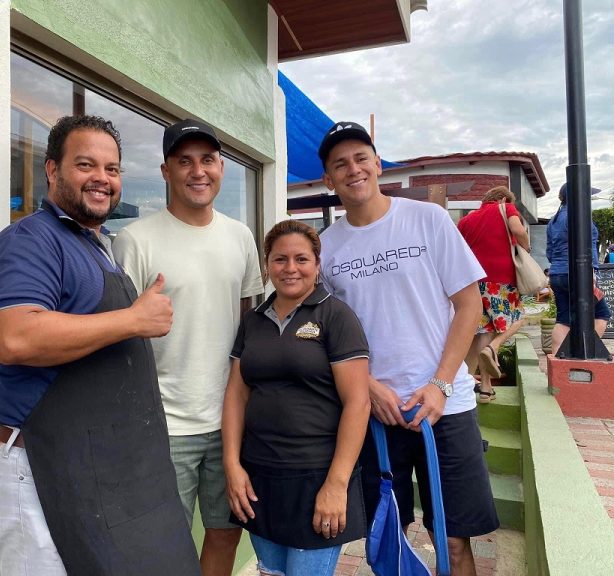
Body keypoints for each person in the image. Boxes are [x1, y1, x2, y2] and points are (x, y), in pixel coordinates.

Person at [0, 115, 200, 575]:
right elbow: (14, 337)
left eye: (112, 169)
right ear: (52, 171)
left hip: (98, 473)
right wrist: (133, 319)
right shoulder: (29, 242)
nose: (102, 178)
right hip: (39, 471)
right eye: (86, 165)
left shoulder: (97, 246)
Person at [317, 121, 499, 576]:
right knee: (389, 539)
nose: (353, 169)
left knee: (454, 542)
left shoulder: (427, 219)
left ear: (378, 164)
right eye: (340, 164)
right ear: (328, 178)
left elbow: (468, 305)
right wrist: (368, 389)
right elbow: (328, 336)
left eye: (361, 158)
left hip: (446, 405)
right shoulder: (325, 248)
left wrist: (439, 384)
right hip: (376, 413)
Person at [113, 118, 263, 576]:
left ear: (222, 167)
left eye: (208, 160)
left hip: (229, 421)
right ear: (165, 171)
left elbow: (244, 326)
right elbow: (122, 334)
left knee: (225, 532)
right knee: (165, 544)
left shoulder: (239, 237)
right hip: (163, 424)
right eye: (185, 161)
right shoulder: (133, 239)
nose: (198, 171)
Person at [222, 220, 371, 576]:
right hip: (259, 478)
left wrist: (337, 485)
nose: (290, 269)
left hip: (316, 476)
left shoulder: (336, 316)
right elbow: (236, 394)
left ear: (317, 265)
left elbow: (358, 403)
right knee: (269, 572)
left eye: (301, 259)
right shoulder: (253, 321)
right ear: (267, 265)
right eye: (280, 259)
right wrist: (232, 466)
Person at [457, 186, 530, 403]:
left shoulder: (466, 221)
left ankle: (486, 389)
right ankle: (494, 347)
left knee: (484, 331)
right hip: (501, 280)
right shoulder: (506, 208)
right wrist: (526, 247)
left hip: (473, 281)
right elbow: (518, 230)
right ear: (503, 200)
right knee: (520, 318)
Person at [546, 182, 612, 354]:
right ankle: (582, 351)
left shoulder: (554, 220)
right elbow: (586, 248)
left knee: (564, 319)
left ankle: (557, 359)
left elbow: (549, 253)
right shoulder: (579, 216)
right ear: (578, 196)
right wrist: (590, 275)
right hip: (579, 274)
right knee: (602, 314)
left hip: (557, 273)